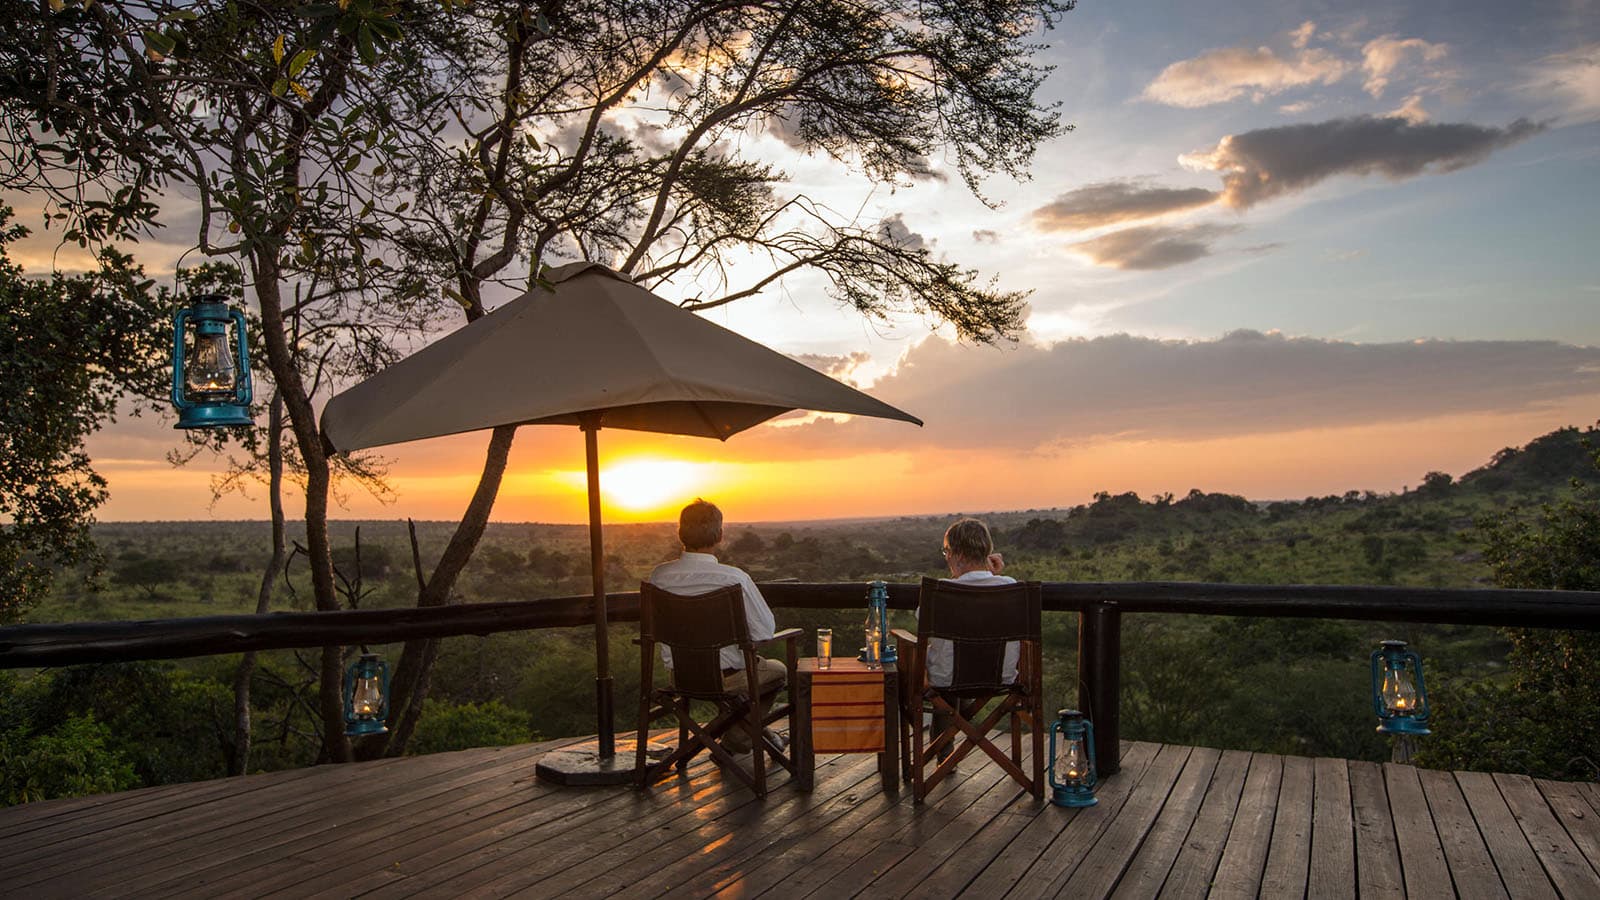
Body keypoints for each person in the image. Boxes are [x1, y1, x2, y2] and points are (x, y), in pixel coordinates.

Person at [647, 499, 785, 756]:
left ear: (681, 534)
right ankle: (738, 738)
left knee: (738, 692)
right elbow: (765, 631)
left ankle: (734, 736)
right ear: (720, 535)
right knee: (777, 671)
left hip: (680, 677)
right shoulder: (734, 578)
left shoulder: (659, 577)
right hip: (729, 678)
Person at [924, 517, 1019, 760]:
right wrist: (993, 575)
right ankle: (954, 733)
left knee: (937, 676)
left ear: (957, 555)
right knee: (953, 674)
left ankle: (943, 752)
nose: (945, 557)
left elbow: (926, 627)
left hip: (948, 682)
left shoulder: (941, 592)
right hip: (1001, 677)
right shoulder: (1011, 588)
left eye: (946, 551)